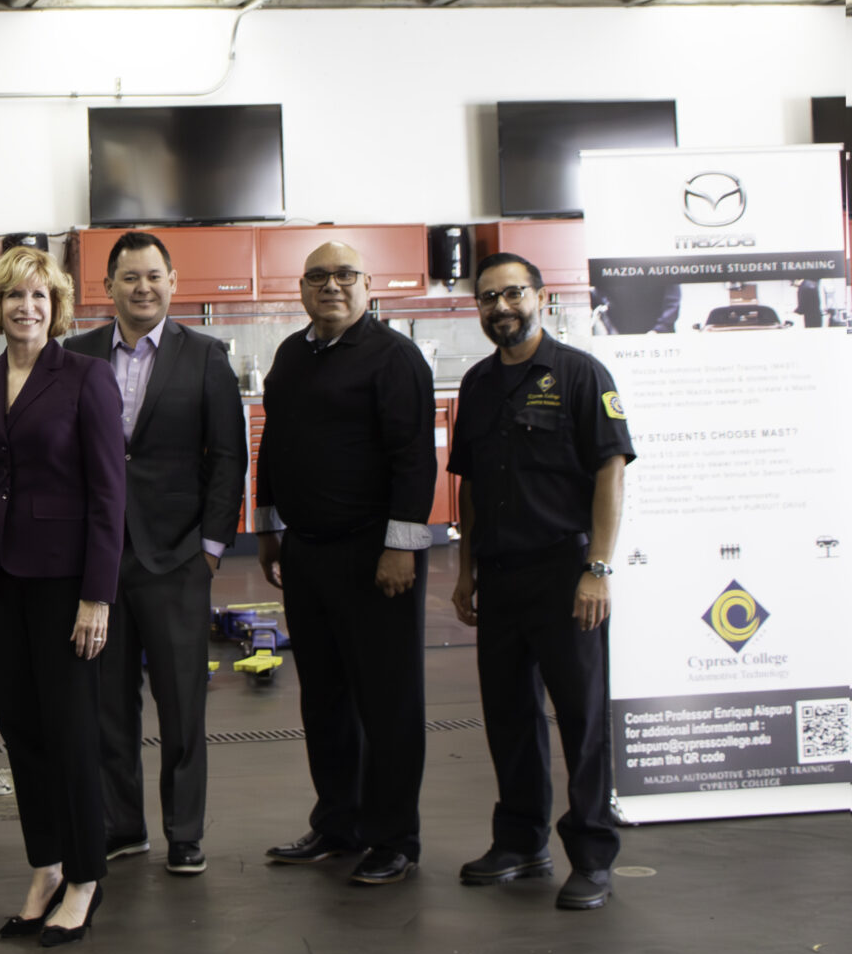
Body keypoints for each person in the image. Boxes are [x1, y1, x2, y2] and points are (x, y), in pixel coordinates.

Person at [450, 253, 635, 911]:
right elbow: (468, 484)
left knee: (582, 717)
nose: (500, 306)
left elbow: (611, 471)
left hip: (566, 575)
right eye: (488, 297)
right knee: (509, 715)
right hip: (499, 576)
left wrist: (599, 569)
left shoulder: (582, 373)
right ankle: (522, 840)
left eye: (512, 293)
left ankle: (592, 855)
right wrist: (466, 569)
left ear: (540, 296)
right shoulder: (475, 385)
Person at [253, 241, 437, 886]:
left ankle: (395, 838)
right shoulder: (292, 354)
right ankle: (339, 823)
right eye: (318, 277)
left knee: (387, 702)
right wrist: (269, 529)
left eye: (344, 275)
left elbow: (416, 458)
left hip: (374, 556)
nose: (331, 286)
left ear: (367, 285)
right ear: (302, 288)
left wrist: (401, 548)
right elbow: (272, 445)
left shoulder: (394, 357)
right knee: (324, 699)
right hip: (307, 553)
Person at [64, 231, 246, 875]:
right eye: (129, 277)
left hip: (177, 558)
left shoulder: (205, 356)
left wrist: (212, 548)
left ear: (173, 281)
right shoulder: (76, 354)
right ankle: (123, 825)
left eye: (153, 276)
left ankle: (185, 832)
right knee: (108, 705)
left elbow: (228, 456)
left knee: (181, 705)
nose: (142, 288)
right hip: (99, 559)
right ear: (107, 286)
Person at [0, 245, 126, 947]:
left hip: (64, 584)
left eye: (39, 296)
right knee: (21, 732)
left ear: (55, 305)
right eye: (14, 296)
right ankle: (46, 864)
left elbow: (109, 494)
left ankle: (86, 877)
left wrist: (97, 597)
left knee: (70, 733)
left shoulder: (87, 378)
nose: (26, 307)